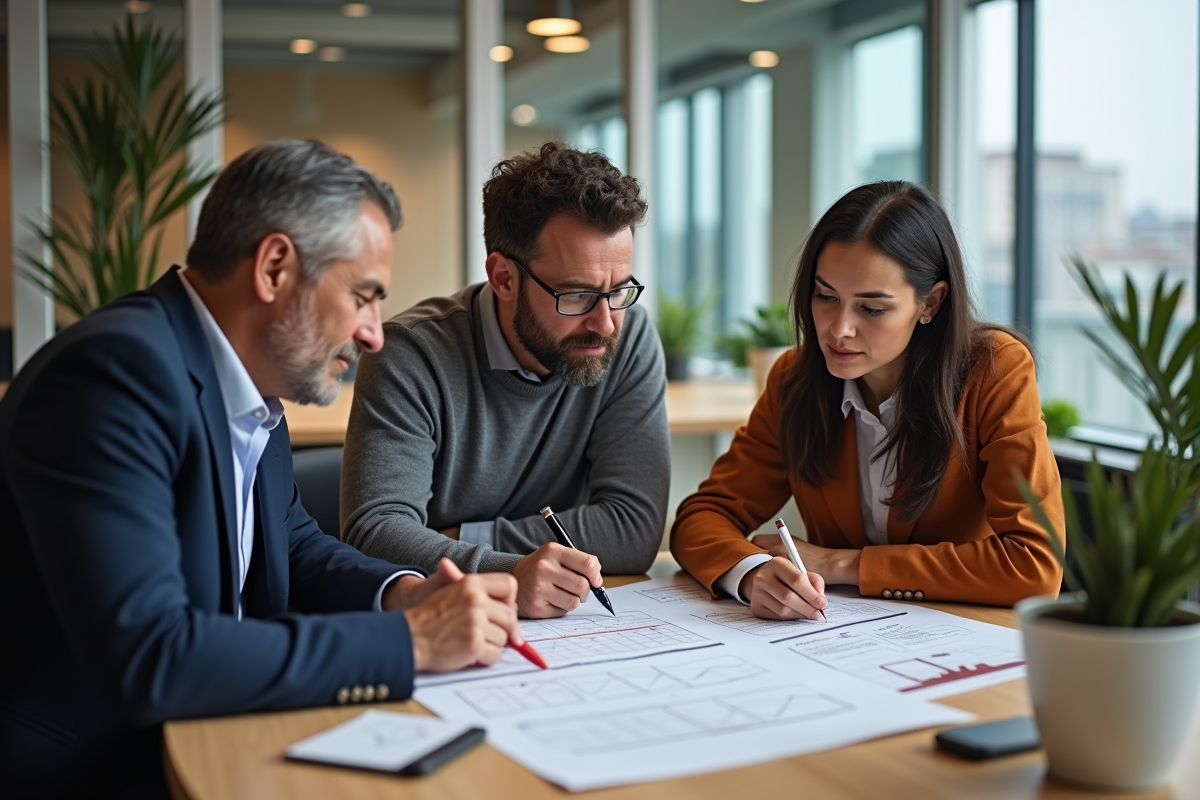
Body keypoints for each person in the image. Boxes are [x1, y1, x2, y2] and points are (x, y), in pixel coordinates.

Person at [0, 140, 523, 799]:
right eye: (364, 296)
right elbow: (151, 656)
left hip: (215, 734)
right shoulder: (111, 377)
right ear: (274, 267)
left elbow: (292, 544)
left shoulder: (247, 381)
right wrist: (409, 641)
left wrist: (401, 593)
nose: (374, 333)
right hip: (94, 768)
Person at [671, 181, 1065, 620]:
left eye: (871, 309)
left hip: (963, 641)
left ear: (930, 303)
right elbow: (701, 517)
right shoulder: (793, 379)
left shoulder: (993, 371)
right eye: (826, 297)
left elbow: (1035, 565)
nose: (839, 329)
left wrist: (841, 564)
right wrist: (750, 573)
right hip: (832, 644)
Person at [341, 142, 670, 619]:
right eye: (576, 295)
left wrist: (462, 539)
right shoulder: (412, 353)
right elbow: (375, 532)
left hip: (571, 625)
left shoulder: (628, 336)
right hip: (447, 621)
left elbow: (633, 530)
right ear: (504, 277)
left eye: (618, 290)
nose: (605, 323)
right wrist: (511, 572)